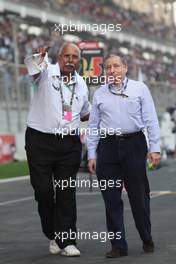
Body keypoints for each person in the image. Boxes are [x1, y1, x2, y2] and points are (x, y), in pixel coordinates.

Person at [87, 54, 161, 258]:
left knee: (139, 197)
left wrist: (154, 148)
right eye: (108, 67)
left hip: (134, 144)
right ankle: (118, 245)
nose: (112, 71)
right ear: (105, 71)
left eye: (116, 66)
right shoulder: (99, 94)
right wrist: (92, 154)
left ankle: (146, 236)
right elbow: (93, 126)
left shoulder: (140, 88)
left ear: (125, 68)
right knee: (111, 199)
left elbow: (151, 119)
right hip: (107, 148)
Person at [24, 43, 90, 257]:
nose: (70, 60)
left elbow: (85, 113)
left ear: (79, 61)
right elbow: (32, 68)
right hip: (40, 140)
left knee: (66, 193)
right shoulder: (45, 71)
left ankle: (68, 240)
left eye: (75, 57)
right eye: (66, 56)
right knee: (43, 191)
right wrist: (39, 57)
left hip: (69, 144)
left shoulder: (81, 83)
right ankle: (53, 233)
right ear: (59, 57)